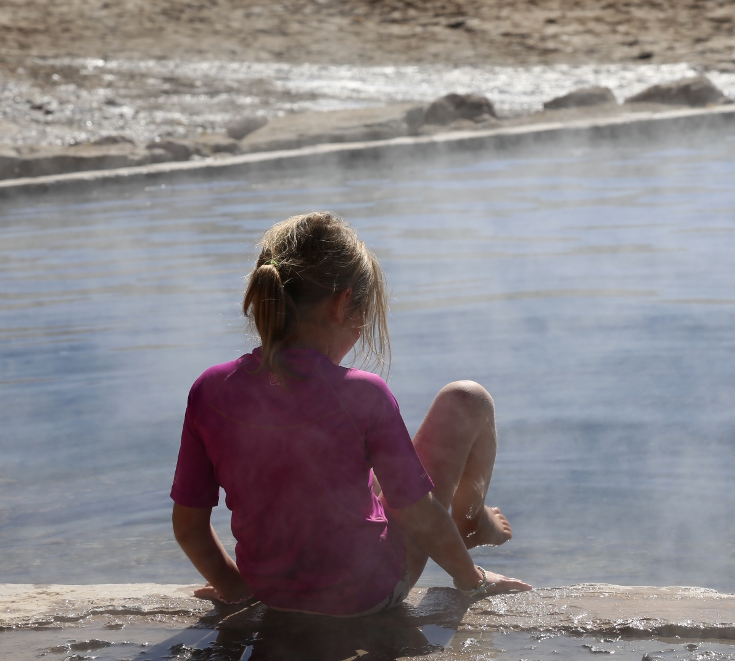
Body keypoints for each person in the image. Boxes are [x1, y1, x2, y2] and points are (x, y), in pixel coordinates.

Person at [170, 211, 531, 616]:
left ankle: (472, 519)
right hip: (367, 594)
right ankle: (471, 520)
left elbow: (188, 527)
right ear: (343, 305)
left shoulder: (209, 390)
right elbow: (419, 513)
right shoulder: (363, 394)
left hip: (273, 592)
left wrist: (234, 586)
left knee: (351, 466)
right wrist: (474, 580)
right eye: (363, 316)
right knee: (466, 398)